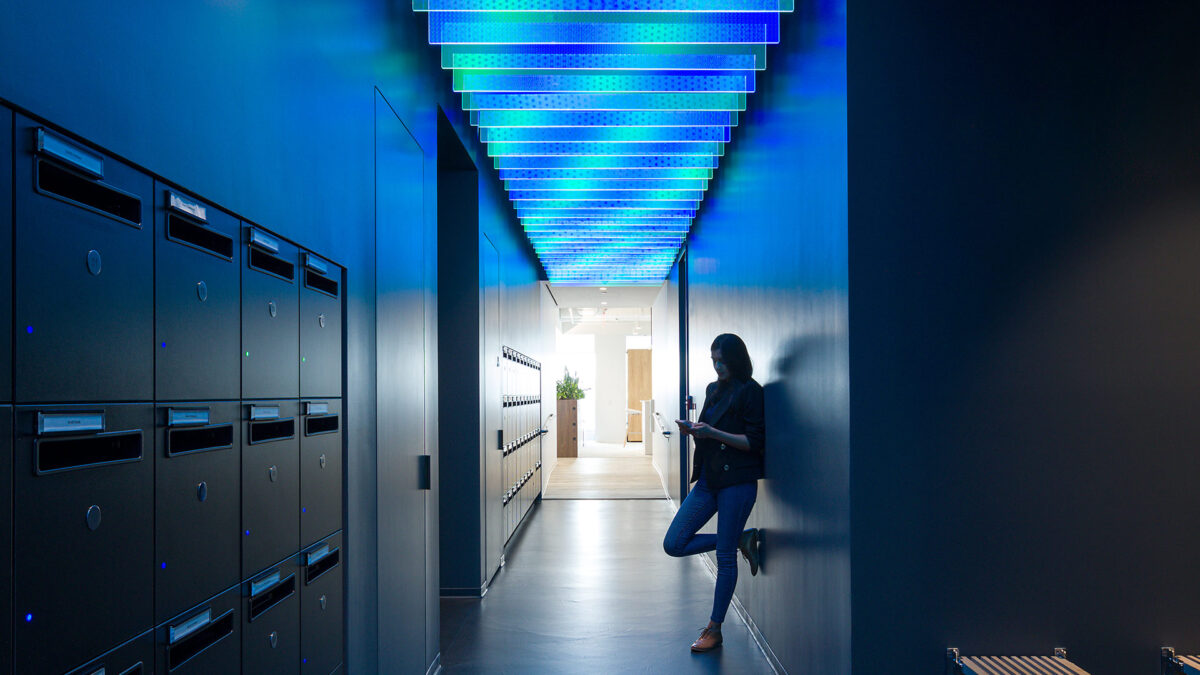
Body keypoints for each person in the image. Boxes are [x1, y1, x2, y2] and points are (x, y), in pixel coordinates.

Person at [664, 333, 765, 653]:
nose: (718, 366)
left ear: (735, 359)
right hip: (709, 480)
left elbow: (754, 443)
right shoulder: (712, 389)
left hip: (737, 481)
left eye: (722, 360)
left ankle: (714, 629)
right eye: (714, 361)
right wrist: (695, 429)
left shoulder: (751, 392)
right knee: (674, 543)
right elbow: (706, 429)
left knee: (724, 559)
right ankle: (739, 538)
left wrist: (711, 432)